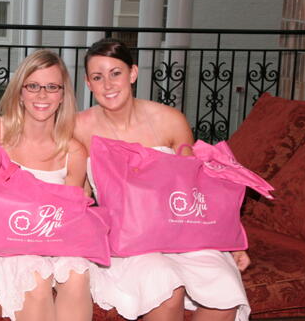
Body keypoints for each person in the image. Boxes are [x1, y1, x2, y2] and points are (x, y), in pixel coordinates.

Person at [74, 38, 251, 321]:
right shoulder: (79, 127)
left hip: (182, 231)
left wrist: (230, 240)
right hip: (127, 240)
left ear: (132, 73)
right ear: (88, 83)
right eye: (98, 76)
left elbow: (195, 185)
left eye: (115, 73)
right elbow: (78, 193)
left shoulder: (170, 120)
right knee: (165, 288)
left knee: (223, 287)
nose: (107, 84)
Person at [0, 49, 91, 321]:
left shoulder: (73, 152)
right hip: (5, 244)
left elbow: (73, 218)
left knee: (77, 273)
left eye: (52, 87)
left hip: (56, 242)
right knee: (35, 276)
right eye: (33, 86)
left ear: (63, 95)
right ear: (20, 92)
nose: (42, 95)